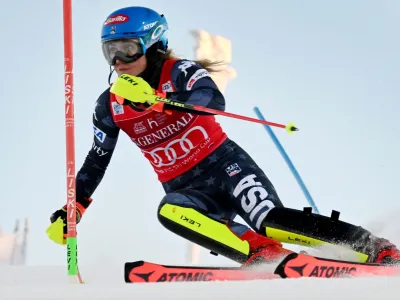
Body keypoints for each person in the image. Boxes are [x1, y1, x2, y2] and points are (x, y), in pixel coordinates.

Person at [46, 6, 400, 266]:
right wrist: (74, 207)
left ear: (153, 44)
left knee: (269, 220)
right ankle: (261, 254)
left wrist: (163, 102)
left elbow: (211, 99)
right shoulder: (110, 105)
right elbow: (96, 159)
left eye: (127, 48)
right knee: (171, 211)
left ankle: (375, 247)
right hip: (186, 188)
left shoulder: (180, 72)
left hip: (226, 167)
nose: (118, 60)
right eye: (110, 51)